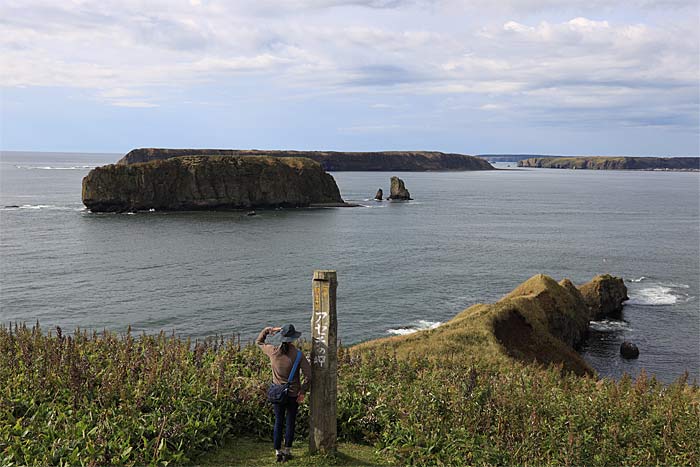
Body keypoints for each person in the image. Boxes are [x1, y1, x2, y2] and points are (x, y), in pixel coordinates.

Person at [256, 324, 311, 463]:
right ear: (293, 338)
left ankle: (277, 452)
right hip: (293, 395)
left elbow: (259, 342)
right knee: (290, 422)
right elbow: (309, 376)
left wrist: (268, 330)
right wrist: (303, 391)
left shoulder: (273, 351)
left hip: (277, 393)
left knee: (278, 422)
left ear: (281, 337)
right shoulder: (298, 355)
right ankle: (287, 451)